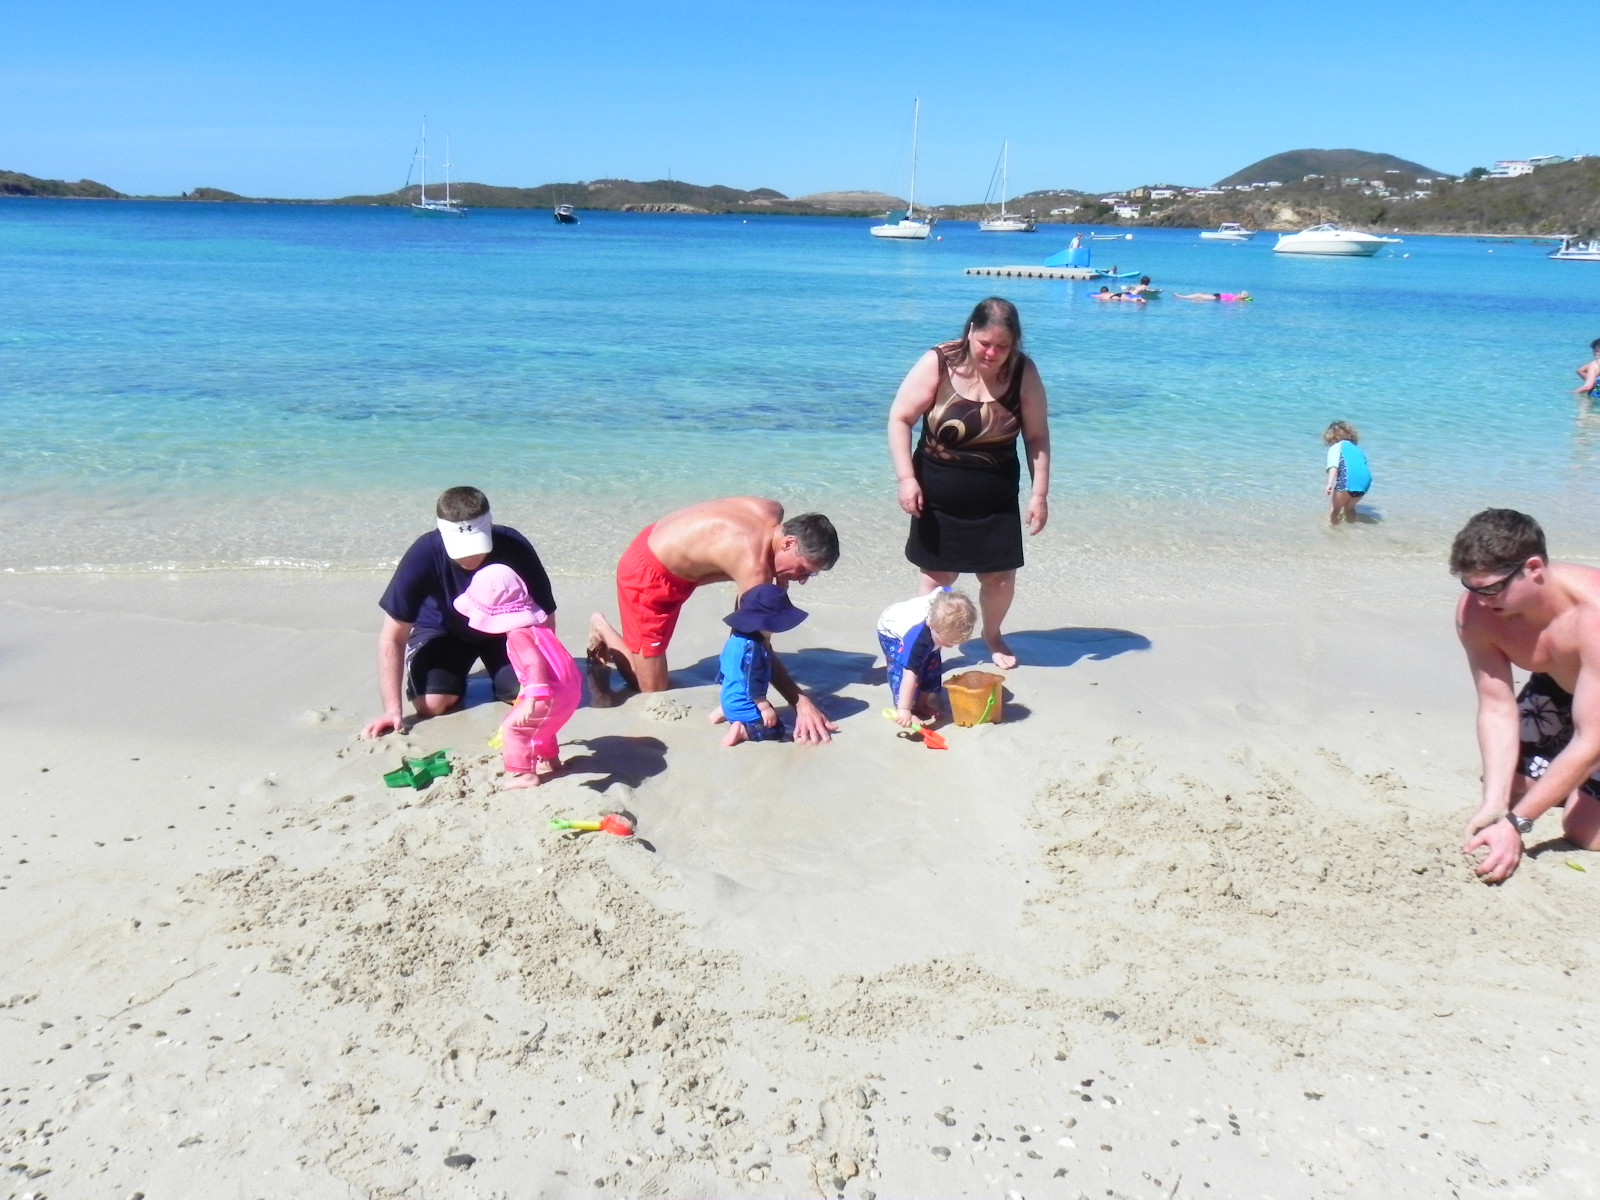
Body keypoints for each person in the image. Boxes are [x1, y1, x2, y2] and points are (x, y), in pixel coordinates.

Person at [586, 497, 841, 742]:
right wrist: (799, 701)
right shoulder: (753, 567)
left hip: (665, 545)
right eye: (804, 569)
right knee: (651, 687)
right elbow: (753, 645)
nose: (802, 580)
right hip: (650, 576)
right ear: (788, 543)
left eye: (811, 575)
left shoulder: (771, 510)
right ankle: (601, 627)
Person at [887, 296, 1051, 670]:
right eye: (985, 343)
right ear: (970, 331)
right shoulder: (939, 362)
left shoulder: (1023, 373)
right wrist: (906, 478)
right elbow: (900, 418)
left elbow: (1037, 437)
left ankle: (992, 635)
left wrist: (1039, 494)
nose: (992, 353)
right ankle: (928, 644)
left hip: (996, 500)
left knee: (999, 579)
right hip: (936, 495)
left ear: (1015, 342)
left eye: (1002, 346)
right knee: (937, 578)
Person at [1452, 509, 1600, 882]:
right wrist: (1495, 804)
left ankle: (1575, 788)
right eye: (1471, 587)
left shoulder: (1593, 613)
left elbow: (1592, 738)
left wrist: (1516, 824)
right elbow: (1496, 708)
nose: (1479, 600)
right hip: (1560, 688)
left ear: (1533, 568)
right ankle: (1569, 782)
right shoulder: (1477, 612)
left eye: (1490, 588)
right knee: (1508, 787)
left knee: (1584, 831)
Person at [361, 487, 557, 739]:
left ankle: (500, 677)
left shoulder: (514, 546)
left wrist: (546, 670)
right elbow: (392, 637)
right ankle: (452, 679)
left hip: (503, 631)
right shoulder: (424, 553)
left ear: (489, 526)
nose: (471, 556)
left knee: (525, 695)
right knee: (431, 705)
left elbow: (544, 616)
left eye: (477, 546)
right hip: (443, 631)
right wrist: (392, 710)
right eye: (462, 548)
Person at [454, 565, 581, 787]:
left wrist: (531, 699)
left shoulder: (517, 635)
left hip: (548, 693)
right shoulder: (539, 628)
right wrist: (525, 692)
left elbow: (534, 663)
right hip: (570, 689)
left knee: (514, 727)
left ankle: (525, 774)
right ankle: (552, 762)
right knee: (541, 726)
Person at [708, 584, 809, 746]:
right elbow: (752, 680)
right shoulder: (755, 649)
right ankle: (743, 730)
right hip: (744, 709)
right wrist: (764, 707)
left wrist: (727, 703)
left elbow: (723, 669)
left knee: (738, 690)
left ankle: (723, 712)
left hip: (727, 700)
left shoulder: (734, 639)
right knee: (776, 728)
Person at [877, 588, 979, 726]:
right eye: (946, 642)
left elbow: (945, 589)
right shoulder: (917, 639)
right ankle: (905, 708)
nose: (949, 646)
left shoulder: (943, 610)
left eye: (954, 642)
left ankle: (922, 704)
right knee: (903, 671)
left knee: (932, 668)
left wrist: (941, 640)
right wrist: (904, 710)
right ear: (931, 624)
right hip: (890, 631)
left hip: (925, 630)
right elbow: (909, 676)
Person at [1322, 421, 1372, 525]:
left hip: (1347, 481)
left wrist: (1329, 484)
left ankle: (1332, 530)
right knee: (1349, 507)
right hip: (1364, 483)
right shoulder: (1357, 449)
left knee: (1335, 509)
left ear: (1332, 436)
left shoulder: (1336, 447)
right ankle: (1352, 528)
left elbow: (1333, 466)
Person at [1174, 291, 1252, 302]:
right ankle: (1182, 297)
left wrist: (1245, 298)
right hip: (1216, 296)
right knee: (1199, 297)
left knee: (1199, 295)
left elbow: (1244, 300)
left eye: (1241, 294)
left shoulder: (1235, 299)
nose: (1239, 293)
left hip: (1217, 298)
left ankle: (1181, 297)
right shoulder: (1234, 296)